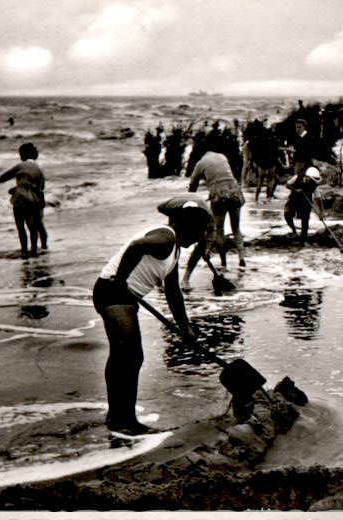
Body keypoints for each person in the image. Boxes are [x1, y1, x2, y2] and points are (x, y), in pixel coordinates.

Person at [93, 196, 209, 435]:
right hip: (114, 292)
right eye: (199, 231)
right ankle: (123, 420)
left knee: (128, 356)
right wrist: (122, 279)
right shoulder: (167, 237)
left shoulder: (174, 250)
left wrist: (185, 327)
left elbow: (173, 292)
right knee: (129, 355)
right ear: (186, 225)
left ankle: (118, 417)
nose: (200, 237)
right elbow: (137, 246)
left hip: (124, 296)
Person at [188, 135, 247, 271]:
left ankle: (223, 262)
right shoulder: (221, 156)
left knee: (219, 229)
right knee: (236, 227)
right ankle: (241, 257)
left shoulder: (200, 164)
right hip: (234, 191)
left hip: (219, 197)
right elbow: (226, 175)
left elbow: (192, 186)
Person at [0, 142, 47, 258]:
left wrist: (16, 187)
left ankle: (24, 250)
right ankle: (34, 249)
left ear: (23, 155)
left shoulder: (19, 166)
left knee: (20, 226)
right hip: (32, 200)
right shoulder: (39, 169)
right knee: (33, 226)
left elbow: (2, 178)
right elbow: (41, 188)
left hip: (19, 199)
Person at [284, 166, 322, 245]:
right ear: (307, 177)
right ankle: (294, 230)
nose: (311, 181)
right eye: (310, 179)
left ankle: (303, 240)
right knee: (287, 213)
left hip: (305, 202)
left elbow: (319, 199)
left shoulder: (314, 185)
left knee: (305, 219)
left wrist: (321, 213)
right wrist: (295, 190)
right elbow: (287, 185)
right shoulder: (297, 177)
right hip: (294, 199)